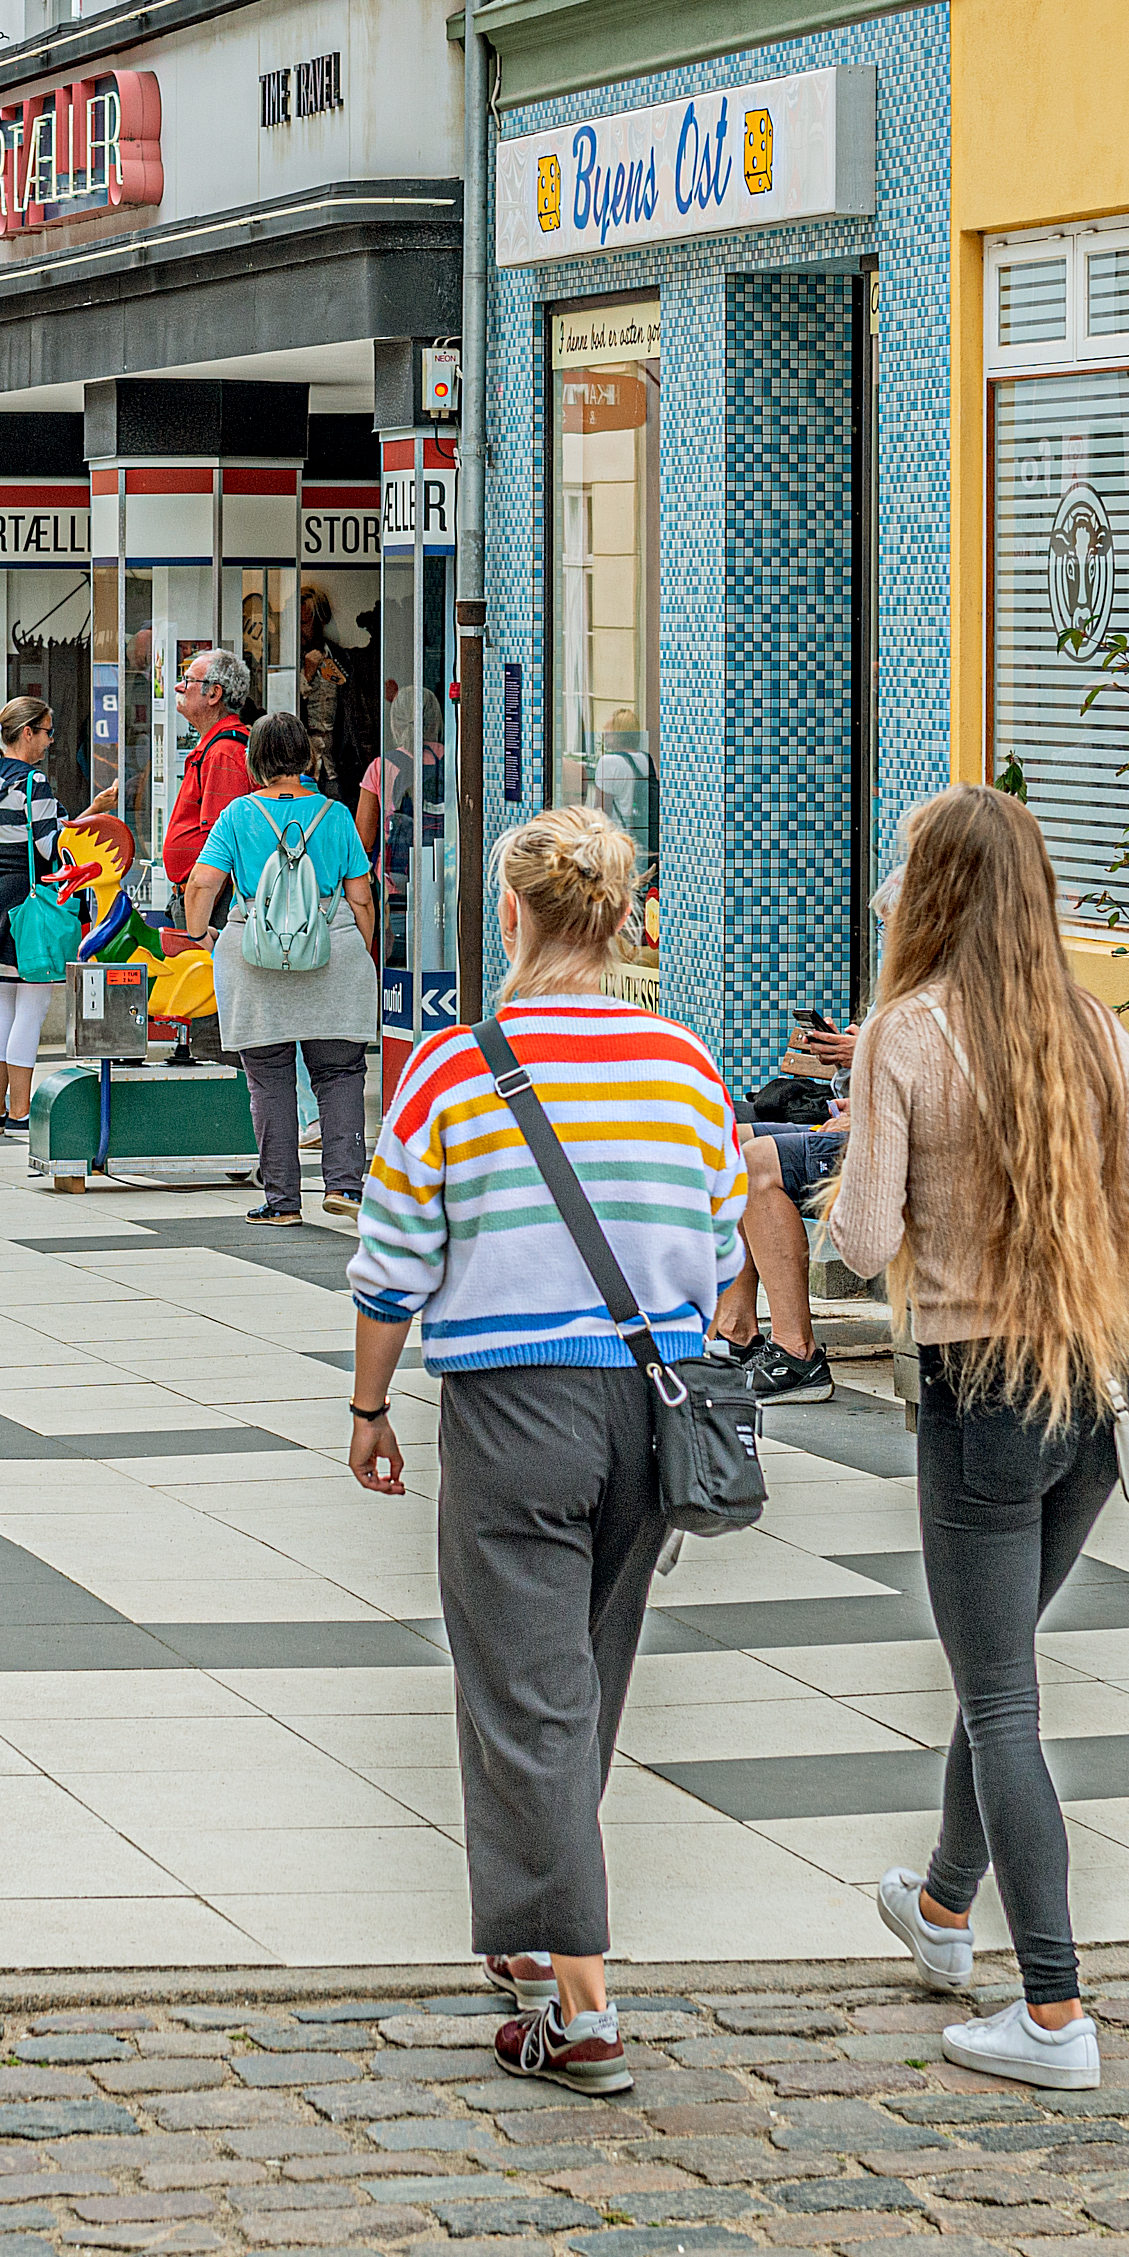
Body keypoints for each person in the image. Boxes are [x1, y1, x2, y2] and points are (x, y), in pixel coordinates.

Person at [343, 805, 744, 2100]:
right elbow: (722, 1246)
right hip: (647, 1404)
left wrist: (368, 1405)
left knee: (525, 1694)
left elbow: (394, 1261)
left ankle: (582, 2002)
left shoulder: (459, 1067)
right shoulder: (684, 1063)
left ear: (511, 916)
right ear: (624, 920)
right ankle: (532, 1939)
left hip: (515, 1408)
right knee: (581, 1681)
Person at [832, 785, 1129, 2089]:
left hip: (977, 1397)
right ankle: (937, 1907)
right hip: (1087, 1396)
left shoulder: (902, 1035)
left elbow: (865, 1242)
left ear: (930, 891)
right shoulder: (1094, 1028)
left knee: (1001, 1697)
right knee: (1004, 1673)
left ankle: (1052, 2010)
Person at [188, 710, 377, 1225]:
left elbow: (203, 884)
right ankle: (344, 1186)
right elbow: (360, 898)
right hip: (329, 950)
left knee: (269, 1079)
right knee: (340, 1074)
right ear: (307, 757)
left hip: (256, 955)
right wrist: (353, 946)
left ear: (254, 761)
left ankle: (281, 1202)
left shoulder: (237, 816)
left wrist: (203, 934)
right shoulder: (336, 816)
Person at [712, 1021, 850, 1404]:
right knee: (725, 1143)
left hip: (895, 1135)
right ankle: (736, 1330)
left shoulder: (954, 995)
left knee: (758, 1164)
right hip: (848, 1118)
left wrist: (868, 1058)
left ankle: (797, 1353)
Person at [0, 695, 64, 1132]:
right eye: (46, 731)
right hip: (29, 900)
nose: (49, 740)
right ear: (27, 733)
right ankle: (23, 1113)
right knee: (33, 1005)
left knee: (5, 1005)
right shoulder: (34, 782)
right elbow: (49, 847)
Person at [155, 649, 258, 914]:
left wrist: (200, 919)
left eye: (188, 681)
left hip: (212, 906)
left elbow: (222, 844)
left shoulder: (223, 752)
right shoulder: (219, 746)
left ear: (214, 694)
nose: (179, 686)